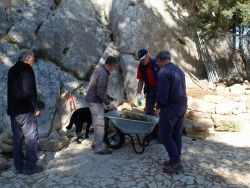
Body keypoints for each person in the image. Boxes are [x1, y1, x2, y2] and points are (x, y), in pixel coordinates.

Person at [7, 50, 43, 175]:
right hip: (25, 110)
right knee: (31, 137)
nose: (33, 61)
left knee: (17, 139)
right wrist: (36, 107)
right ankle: (30, 167)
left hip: (13, 111)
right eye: (32, 59)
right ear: (27, 58)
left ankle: (18, 167)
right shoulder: (27, 69)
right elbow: (29, 91)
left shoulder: (11, 70)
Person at [156, 51, 187, 173]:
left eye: (157, 62)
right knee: (176, 133)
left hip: (171, 107)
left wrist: (159, 107)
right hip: (182, 104)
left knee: (164, 134)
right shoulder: (179, 70)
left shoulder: (163, 72)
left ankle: (176, 161)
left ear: (159, 60)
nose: (157, 64)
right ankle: (176, 158)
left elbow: (162, 94)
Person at [85, 56, 117, 155]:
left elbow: (99, 89)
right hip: (95, 100)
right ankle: (99, 148)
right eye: (114, 66)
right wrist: (108, 103)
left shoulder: (100, 69)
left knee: (97, 123)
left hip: (92, 99)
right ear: (110, 65)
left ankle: (95, 143)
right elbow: (99, 92)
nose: (114, 68)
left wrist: (108, 97)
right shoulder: (103, 74)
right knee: (99, 124)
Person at [136, 49, 159, 115]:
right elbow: (140, 81)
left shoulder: (156, 62)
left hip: (160, 88)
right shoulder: (141, 66)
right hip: (150, 89)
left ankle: (160, 124)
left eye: (143, 58)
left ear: (148, 55)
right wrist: (138, 94)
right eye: (140, 59)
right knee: (148, 111)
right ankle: (151, 124)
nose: (142, 60)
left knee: (160, 109)